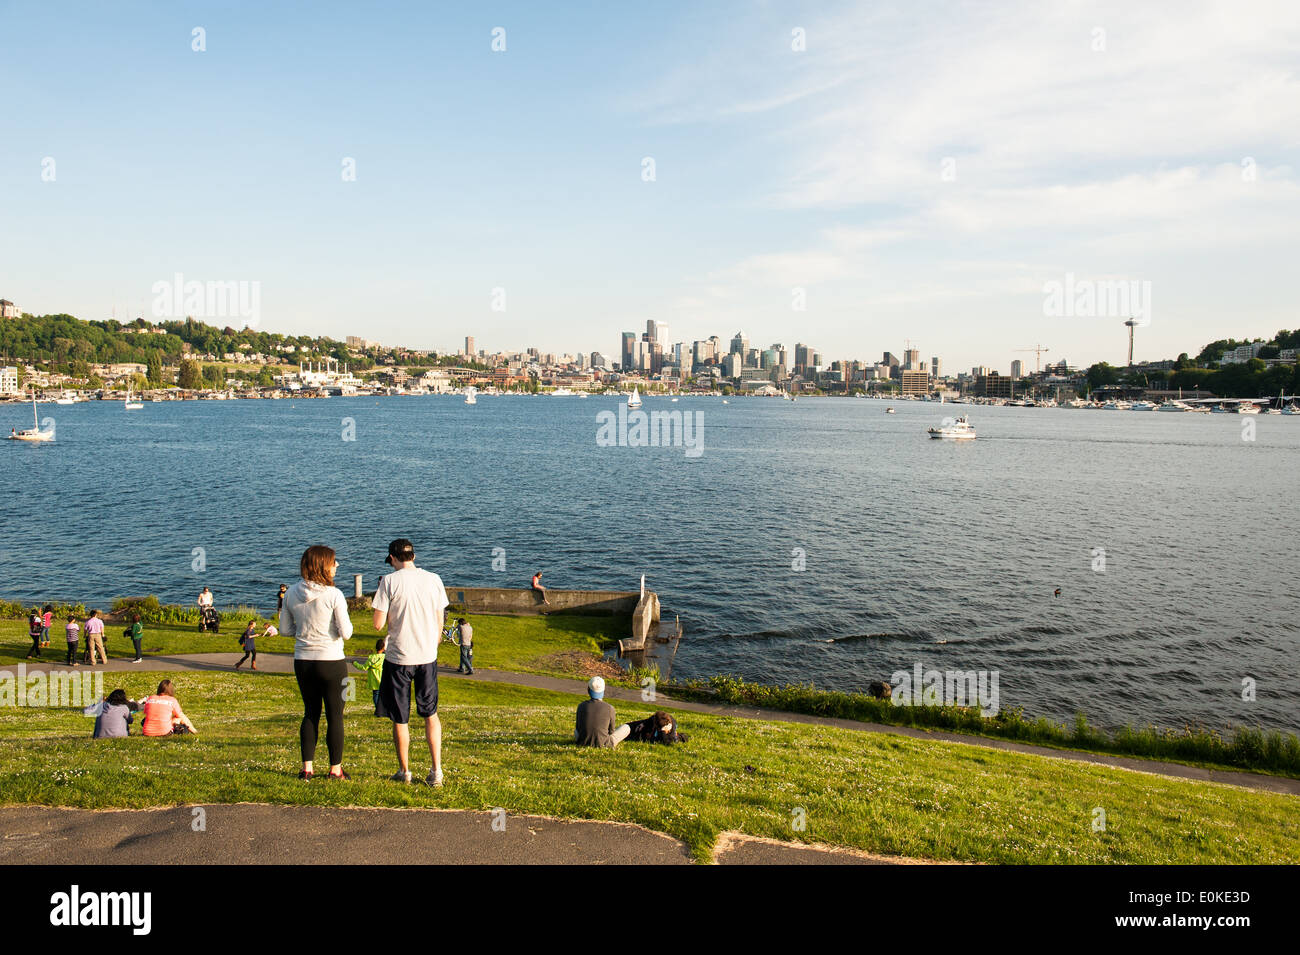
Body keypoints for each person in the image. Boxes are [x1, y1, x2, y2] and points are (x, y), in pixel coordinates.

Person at [372, 538, 448, 786]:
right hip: (427, 655)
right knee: (431, 714)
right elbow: (440, 618)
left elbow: (377, 624)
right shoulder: (434, 579)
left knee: (400, 717)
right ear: (413, 557)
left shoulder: (389, 581)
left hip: (399, 657)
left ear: (393, 558)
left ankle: (405, 771)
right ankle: (436, 771)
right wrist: (433, 641)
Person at [280, 544, 354, 781]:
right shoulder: (334, 595)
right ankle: (335, 769)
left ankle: (307, 768)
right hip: (331, 660)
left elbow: (284, 630)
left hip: (303, 660)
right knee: (335, 715)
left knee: (310, 712)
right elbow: (347, 632)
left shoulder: (291, 593)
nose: (337, 565)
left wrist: (305, 631)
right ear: (323, 566)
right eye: (334, 562)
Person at [574, 676, 630, 748]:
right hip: (604, 743)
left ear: (588, 690)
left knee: (575, 732)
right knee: (627, 727)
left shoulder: (581, 706)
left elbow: (578, 729)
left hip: (582, 741)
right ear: (603, 691)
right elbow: (611, 731)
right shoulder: (610, 708)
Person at [352, 639, 386, 713]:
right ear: (384, 648)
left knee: (376, 695)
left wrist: (355, 663)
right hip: (383, 679)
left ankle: (378, 710)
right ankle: (384, 709)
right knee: (384, 695)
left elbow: (364, 668)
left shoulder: (371, 658)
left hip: (374, 681)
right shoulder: (384, 658)